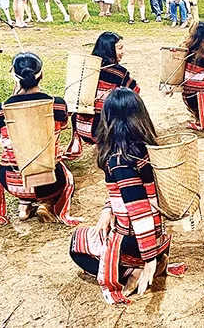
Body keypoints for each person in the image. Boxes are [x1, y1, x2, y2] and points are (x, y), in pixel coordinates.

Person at [69, 87, 174, 305]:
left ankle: (134, 270)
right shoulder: (145, 149)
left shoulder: (119, 160)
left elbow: (139, 210)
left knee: (76, 245)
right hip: (158, 234)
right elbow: (129, 194)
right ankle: (148, 259)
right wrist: (107, 210)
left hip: (135, 240)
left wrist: (149, 259)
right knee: (97, 233)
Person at [0, 52, 79, 225]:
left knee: (18, 166)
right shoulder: (57, 105)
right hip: (50, 182)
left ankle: (24, 205)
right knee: (66, 177)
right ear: (41, 75)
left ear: (14, 75)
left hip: (11, 181)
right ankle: (46, 203)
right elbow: (63, 125)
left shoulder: (0, 111)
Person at [72, 32, 140, 149]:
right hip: (104, 131)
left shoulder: (85, 69)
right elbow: (135, 91)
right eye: (120, 48)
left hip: (82, 128)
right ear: (109, 50)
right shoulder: (119, 73)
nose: (123, 51)